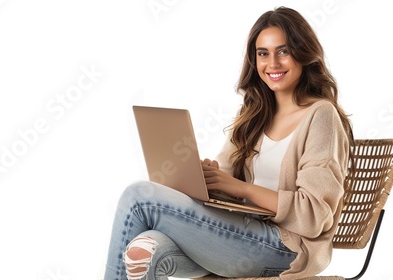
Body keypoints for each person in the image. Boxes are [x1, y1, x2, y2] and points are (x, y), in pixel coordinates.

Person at [103, 6, 354, 280]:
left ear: (303, 53)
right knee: (146, 246)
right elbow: (227, 176)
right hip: (239, 238)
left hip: (286, 249)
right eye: (263, 53)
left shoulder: (321, 115)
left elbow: (314, 216)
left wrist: (239, 187)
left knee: (139, 197)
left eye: (283, 51)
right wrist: (209, 177)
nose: (273, 64)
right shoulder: (254, 114)